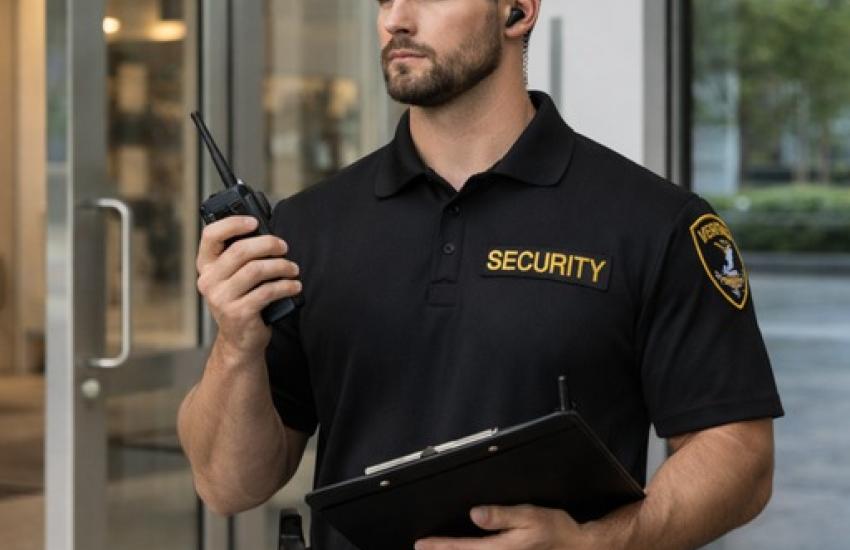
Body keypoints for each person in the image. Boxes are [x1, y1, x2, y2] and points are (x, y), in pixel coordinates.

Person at [177, 1, 784, 548]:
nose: (396, 19)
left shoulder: (656, 223)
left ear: (517, 12)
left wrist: (600, 545)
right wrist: (236, 346)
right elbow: (229, 487)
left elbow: (739, 455)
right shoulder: (308, 224)